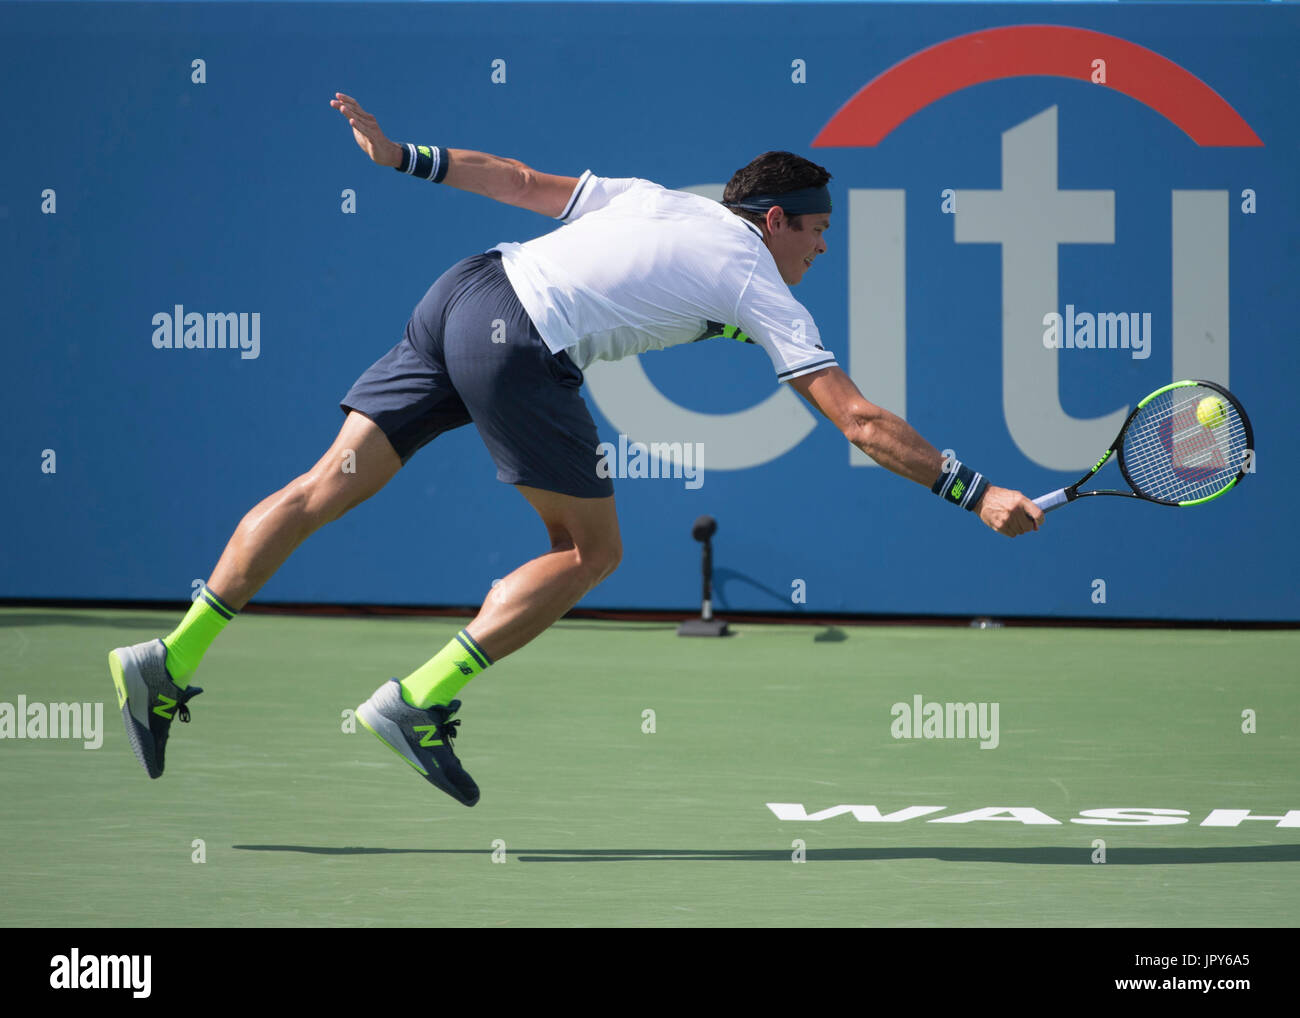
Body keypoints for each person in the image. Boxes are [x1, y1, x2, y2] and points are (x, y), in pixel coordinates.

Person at [108, 93, 1044, 807]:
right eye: (819, 231)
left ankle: (170, 656)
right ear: (776, 222)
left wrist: (403, 159)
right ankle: (416, 699)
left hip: (464, 292)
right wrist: (975, 491)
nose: (822, 251)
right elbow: (861, 421)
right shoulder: (757, 275)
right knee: (590, 552)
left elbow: (516, 182)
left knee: (322, 487)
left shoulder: (658, 203)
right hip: (522, 342)